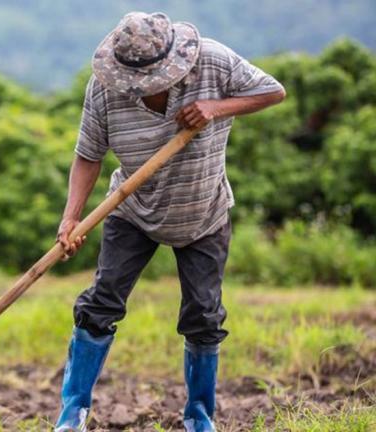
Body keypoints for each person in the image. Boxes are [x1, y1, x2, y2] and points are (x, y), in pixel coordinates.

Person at [54, 12, 285, 432]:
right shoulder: (105, 89)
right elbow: (88, 154)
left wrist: (217, 107)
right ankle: (73, 414)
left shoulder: (213, 62)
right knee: (100, 304)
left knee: (203, 315)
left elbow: (273, 91)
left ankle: (199, 417)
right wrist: (72, 219)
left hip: (203, 212)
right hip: (132, 210)